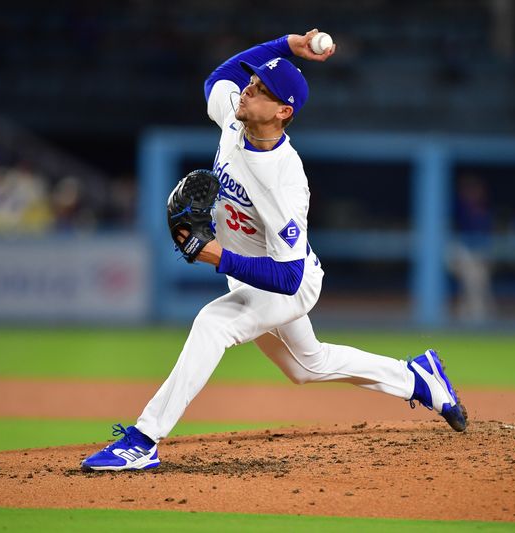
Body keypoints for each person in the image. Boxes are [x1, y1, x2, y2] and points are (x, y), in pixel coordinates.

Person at [81, 29, 467, 472]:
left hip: (288, 282)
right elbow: (217, 79)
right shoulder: (235, 119)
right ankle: (416, 378)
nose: (248, 89)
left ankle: (142, 440)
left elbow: (289, 279)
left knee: (212, 324)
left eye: (261, 89)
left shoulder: (283, 182)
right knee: (307, 365)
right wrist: (286, 45)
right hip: (251, 275)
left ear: (283, 112)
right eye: (252, 82)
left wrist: (212, 254)